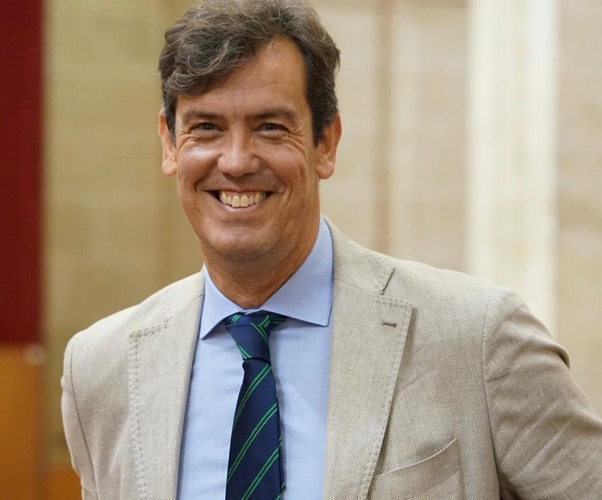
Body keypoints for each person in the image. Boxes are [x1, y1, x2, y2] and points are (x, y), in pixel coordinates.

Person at [61, 0, 602, 498]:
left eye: (270, 127)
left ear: (326, 142)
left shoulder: (477, 338)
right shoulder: (102, 368)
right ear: (169, 143)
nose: (237, 160)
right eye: (206, 127)